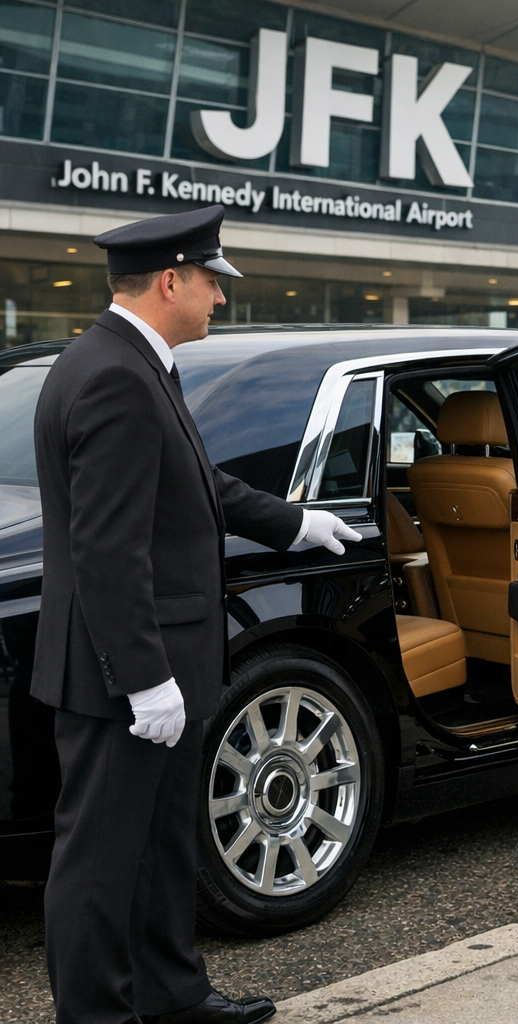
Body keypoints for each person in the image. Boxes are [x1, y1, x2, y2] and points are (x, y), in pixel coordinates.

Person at [32, 205, 361, 1024]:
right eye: (213, 282)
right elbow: (108, 550)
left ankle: (173, 996)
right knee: (101, 864)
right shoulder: (112, 374)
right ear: (171, 280)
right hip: (124, 674)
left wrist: (294, 520)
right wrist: (145, 679)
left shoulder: (139, 364)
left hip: (159, 664)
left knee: (160, 846)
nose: (220, 299)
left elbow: (196, 488)